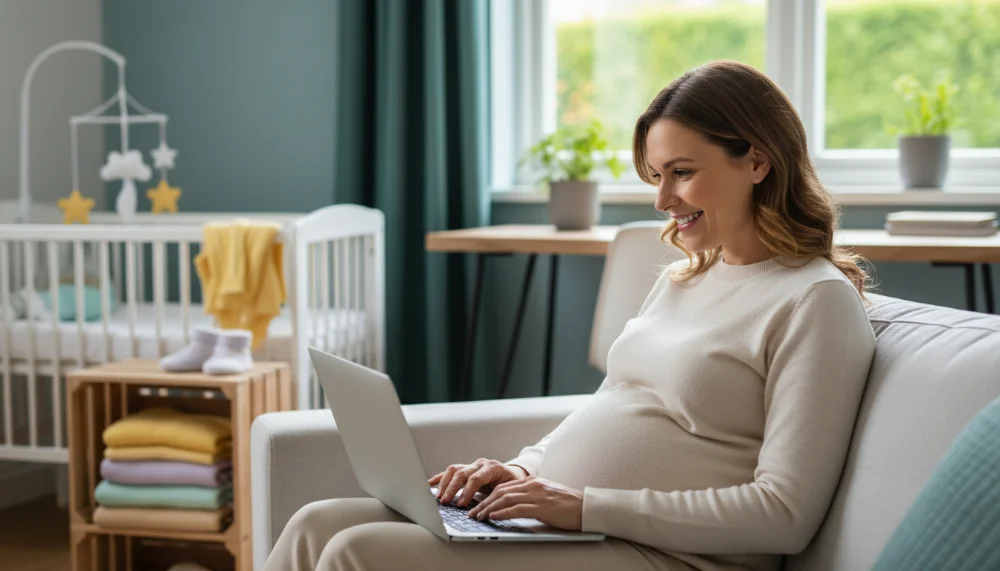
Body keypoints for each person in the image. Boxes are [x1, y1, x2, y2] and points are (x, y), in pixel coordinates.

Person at [261, 60, 877, 571]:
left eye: (683, 174)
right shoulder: (686, 277)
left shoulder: (814, 301)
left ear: (758, 162)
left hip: (671, 554)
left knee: (357, 553)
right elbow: (612, 404)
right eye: (657, 176)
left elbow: (784, 514)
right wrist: (522, 469)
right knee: (316, 523)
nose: (663, 200)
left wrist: (584, 506)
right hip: (574, 528)